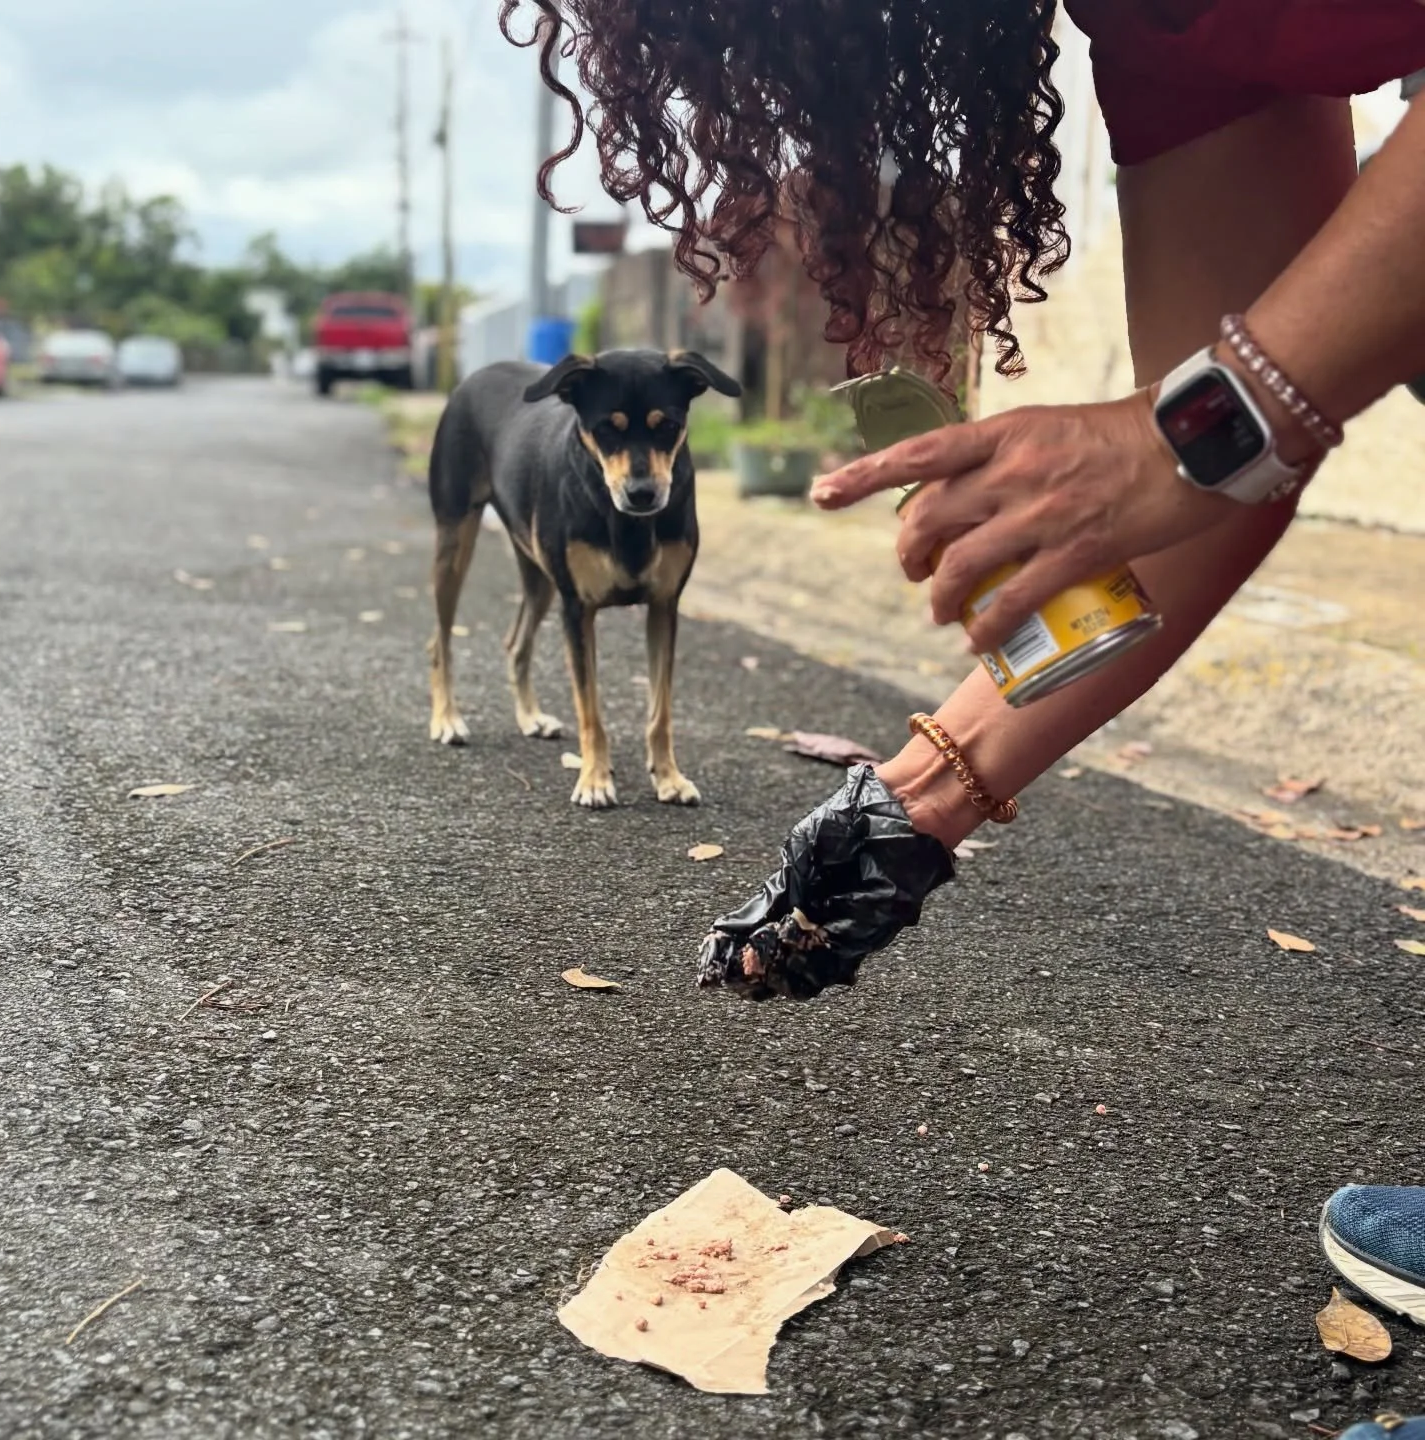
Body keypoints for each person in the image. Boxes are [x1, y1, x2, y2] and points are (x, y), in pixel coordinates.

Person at [500, 0, 1425, 1401]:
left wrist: (1212, 417)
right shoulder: (1165, 33)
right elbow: (1209, 491)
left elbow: (1221, 433)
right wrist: (916, 801)